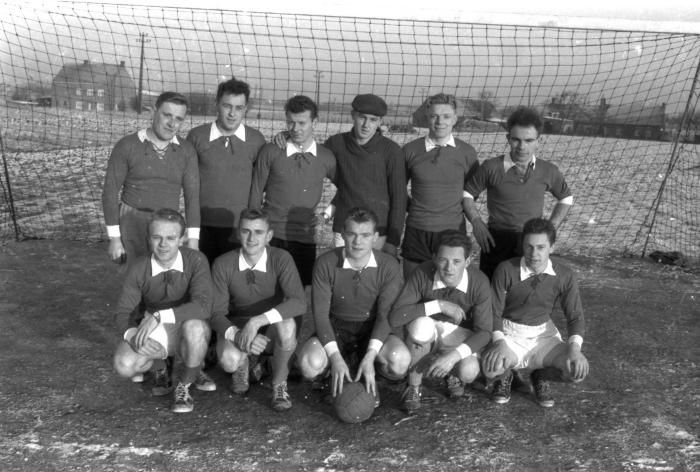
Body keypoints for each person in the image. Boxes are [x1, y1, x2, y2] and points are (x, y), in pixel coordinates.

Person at [296, 207, 411, 403]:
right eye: (352, 234)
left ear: (375, 237)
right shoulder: (326, 263)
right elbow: (321, 316)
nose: (358, 242)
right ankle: (330, 378)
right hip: (336, 325)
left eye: (365, 235)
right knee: (309, 363)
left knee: (400, 359)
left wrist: (370, 355)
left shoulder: (389, 265)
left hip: (371, 326)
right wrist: (334, 357)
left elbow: (385, 315)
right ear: (342, 234)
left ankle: (370, 378)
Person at [274, 94, 406, 255]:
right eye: (362, 117)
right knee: (344, 276)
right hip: (344, 230)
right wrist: (288, 135)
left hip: (378, 233)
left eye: (373, 120)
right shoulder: (336, 144)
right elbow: (312, 154)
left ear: (380, 122)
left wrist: (392, 241)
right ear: (352, 116)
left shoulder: (392, 151)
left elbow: (399, 199)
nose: (366, 125)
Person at [112, 208, 214, 414]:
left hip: (187, 324)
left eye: (170, 237)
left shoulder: (196, 260)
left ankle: (186, 383)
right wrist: (133, 336)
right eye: (157, 237)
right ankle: (160, 364)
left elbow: (203, 305)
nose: (163, 244)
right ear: (148, 239)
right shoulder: (140, 266)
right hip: (157, 329)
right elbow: (122, 312)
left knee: (195, 328)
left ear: (182, 239)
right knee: (124, 364)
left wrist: (160, 316)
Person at [481, 218, 589, 408]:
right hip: (510, 333)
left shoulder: (565, 275)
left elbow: (575, 316)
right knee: (491, 369)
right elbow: (493, 312)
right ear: (522, 246)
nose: (534, 254)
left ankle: (540, 375)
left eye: (541, 247)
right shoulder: (506, 269)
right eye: (529, 247)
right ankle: (505, 376)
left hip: (543, 335)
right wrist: (499, 343)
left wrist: (574, 349)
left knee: (576, 372)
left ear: (552, 247)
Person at [210, 209, 306, 411]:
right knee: (229, 361)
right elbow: (216, 314)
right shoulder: (222, 263)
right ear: (238, 233)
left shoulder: (281, 258)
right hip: (239, 326)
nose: (252, 238)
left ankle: (279, 384)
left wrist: (257, 321)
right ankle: (247, 363)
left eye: (259, 232)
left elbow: (299, 302)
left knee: (288, 324)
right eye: (246, 231)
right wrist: (240, 336)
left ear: (269, 235)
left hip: (270, 326)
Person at [463, 106, 573, 280]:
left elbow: (566, 197)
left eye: (529, 140)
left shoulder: (548, 170)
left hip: (530, 241)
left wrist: (551, 227)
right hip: (495, 240)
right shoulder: (491, 167)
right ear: (508, 138)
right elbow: (467, 194)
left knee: (524, 296)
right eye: (516, 140)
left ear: (539, 140)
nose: (522, 146)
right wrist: (476, 223)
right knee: (492, 294)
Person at [389, 230, 492, 413]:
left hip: (457, 337)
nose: (449, 268)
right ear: (434, 258)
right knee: (421, 326)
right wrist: (437, 305)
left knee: (469, 371)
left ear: (468, 261)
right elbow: (397, 316)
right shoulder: (423, 272)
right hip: (428, 331)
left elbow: (484, 332)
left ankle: (450, 373)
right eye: (443, 260)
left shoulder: (479, 282)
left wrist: (454, 357)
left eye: (457, 261)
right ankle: (414, 385)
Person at [102, 92, 200, 269]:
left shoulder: (187, 151)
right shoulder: (127, 145)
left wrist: (193, 240)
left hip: (168, 224)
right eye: (167, 115)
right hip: (132, 221)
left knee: (163, 283)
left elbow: (193, 198)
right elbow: (109, 192)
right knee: (133, 281)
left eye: (178, 119)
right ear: (154, 111)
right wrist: (114, 239)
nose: (172, 124)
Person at [249, 95, 336, 287]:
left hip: (305, 237)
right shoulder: (271, 151)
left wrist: (326, 215)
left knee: (298, 296)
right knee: (268, 292)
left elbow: (346, 190)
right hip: (272, 236)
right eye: (290, 122)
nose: (295, 129)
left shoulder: (325, 157)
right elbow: (255, 195)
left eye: (302, 123)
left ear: (315, 122)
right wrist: (257, 233)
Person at [186, 78, 266, 264]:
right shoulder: (197, 136)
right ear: (217, 105)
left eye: (239, 108)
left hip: (239, 228)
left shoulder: (256, 140)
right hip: (202, 226)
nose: (232, 113)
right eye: (227, 106)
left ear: (246, 109)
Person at [402, 93, 479, 279]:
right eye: (434, 116)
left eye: (446, 116)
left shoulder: (467, 152)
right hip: (417, 230)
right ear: (427, 117)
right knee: (414, 286)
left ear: (455, 119)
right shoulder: (410, 151)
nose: (439, 121)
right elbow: (398, 189)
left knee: (449, 288)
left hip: (452, 230)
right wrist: (416, 208)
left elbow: (471, 192)